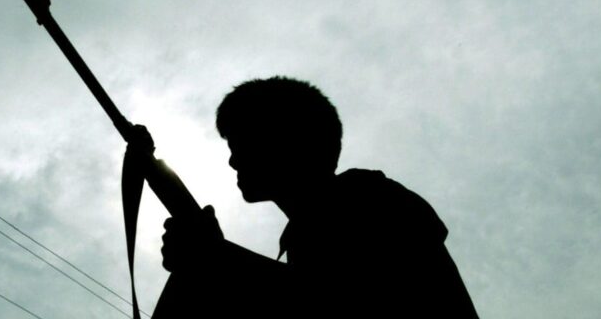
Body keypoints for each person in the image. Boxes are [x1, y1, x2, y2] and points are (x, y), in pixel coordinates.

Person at [157, 76, 478, 318]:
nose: (233, 161)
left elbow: (342, 304)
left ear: (288, 141)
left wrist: (215, 257)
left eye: (243, 145)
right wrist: (208, 262)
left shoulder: (368, 197)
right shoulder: (308, 233)